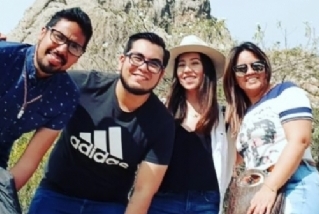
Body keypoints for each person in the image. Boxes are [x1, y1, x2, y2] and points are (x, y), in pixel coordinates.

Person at [27, 32, 175, 214]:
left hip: (108, 206)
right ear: (121, 60)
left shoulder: (162, 123)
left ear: (160, 75)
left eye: (153, 64)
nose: (143, 67)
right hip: (56, 196)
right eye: (137, 57)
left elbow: (143, 191)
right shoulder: (82, 85)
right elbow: (33, 84)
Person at [0, 7, 93, 213]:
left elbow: (29, 161)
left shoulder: (66, 96)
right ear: (43, 32)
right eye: (58, 36)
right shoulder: (4, 57)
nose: (62, 49)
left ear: (78, 56)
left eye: (74, 47)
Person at [222, 41, 319, 214]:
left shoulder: (285, 92)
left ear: (265, 69)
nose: (250, 72)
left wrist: (270, 188)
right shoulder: (243, 115)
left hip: (295, 183)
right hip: (257, 191)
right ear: (233, 77)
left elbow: (300, 140)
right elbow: (231, 159)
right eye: (241, 69)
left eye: (256, 66)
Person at [148, 35, 236, 214]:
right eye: (181, 64)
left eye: (195, 63)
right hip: (163, 201)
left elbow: (237, 157)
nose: (187, 70)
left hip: (205, 203)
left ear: (206, 69)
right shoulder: (163, 110)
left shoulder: (223, 116)